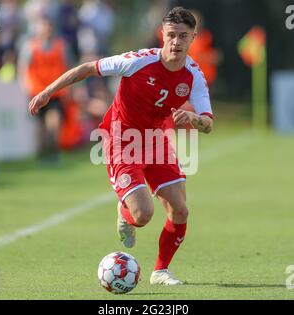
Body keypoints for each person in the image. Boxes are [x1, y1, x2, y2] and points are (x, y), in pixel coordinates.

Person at [28, 7, 214, 285]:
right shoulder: (137, 61)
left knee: (180, 210)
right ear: (162, 35)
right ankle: (124, 211)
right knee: (143, 215)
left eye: (183, 36)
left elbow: (208, 123)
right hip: (121, 140)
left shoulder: (194, 75)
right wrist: (47, 92)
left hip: (155, 141)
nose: (176, 42)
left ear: (193, 38)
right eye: (171, 35)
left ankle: (160, 271)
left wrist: (194, 119)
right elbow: (87, 68)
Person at [19, 16, 72, 162]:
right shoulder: (29, 46)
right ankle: (43, 155)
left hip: (55, 92)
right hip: (36, 92)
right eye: (43, 26)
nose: (46, 29)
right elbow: (23, 69)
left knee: (54, 123)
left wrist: (70, 88)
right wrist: (26, 86)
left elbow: (69, 68)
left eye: (48, 26)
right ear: (37, 29)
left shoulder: (61, 46)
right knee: (41, 127)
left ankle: (53, 153)